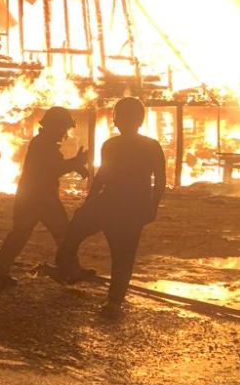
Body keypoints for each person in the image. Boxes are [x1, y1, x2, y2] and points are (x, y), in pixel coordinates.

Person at [54, 97, 166, 317]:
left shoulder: (112, 145)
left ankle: (71, 270)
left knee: (78, 233)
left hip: (112, 203)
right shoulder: (149, 146)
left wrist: (90, 202)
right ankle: (111, 299)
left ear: (117, 120)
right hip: (130, 205)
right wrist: (151, 206)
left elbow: (103, 176)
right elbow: (159, 180)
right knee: (123, 254)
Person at [0, 106, 89, 287]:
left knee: (20, 234)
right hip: (42, 199)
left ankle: (0, 271)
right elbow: (54, 168)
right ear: (55, 127)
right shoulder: (43, 145)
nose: (64, 133)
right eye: (63, 128)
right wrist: (76, 163)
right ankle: (70, 271)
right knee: (63, 234)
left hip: (29, 196)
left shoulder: (42, 143)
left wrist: (76, 164)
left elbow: (55, 166)